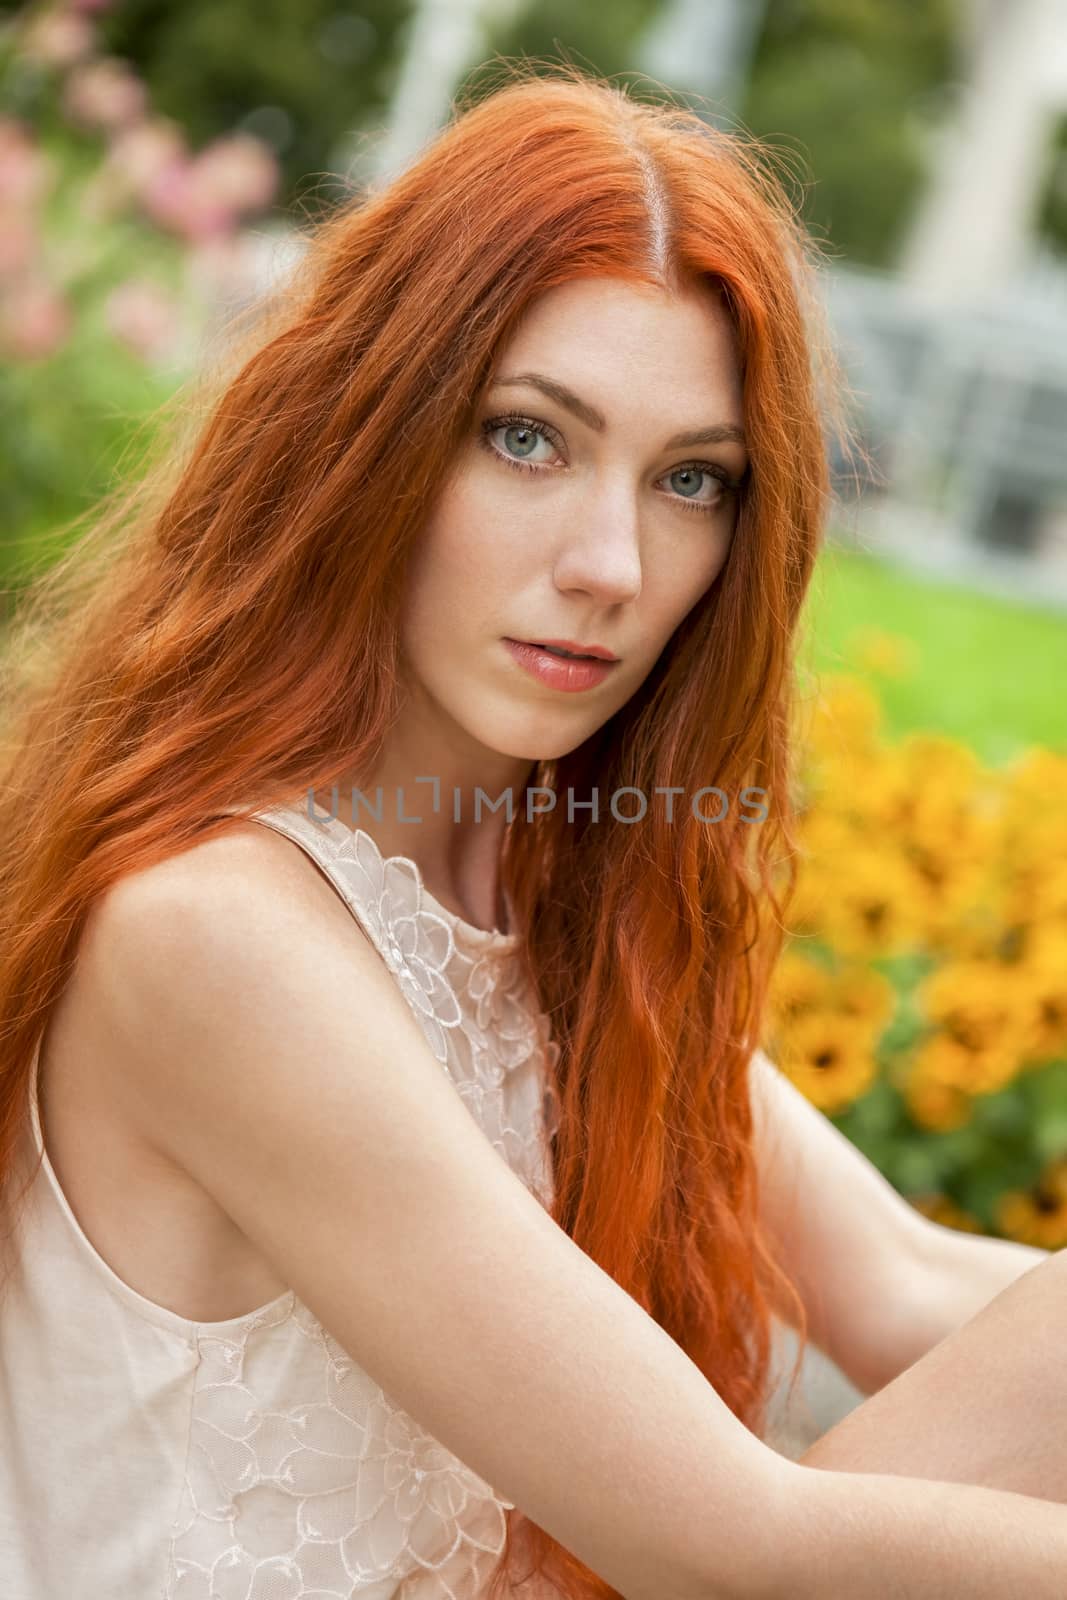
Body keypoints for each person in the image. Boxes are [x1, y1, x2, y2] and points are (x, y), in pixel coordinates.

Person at [1, 59, 1066, 1600]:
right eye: (527, 439)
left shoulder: (541, 911)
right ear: (370, 437)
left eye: (692, 479)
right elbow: (720, 1546)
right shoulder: (217, 933)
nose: (612, 564)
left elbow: (911, 1289)